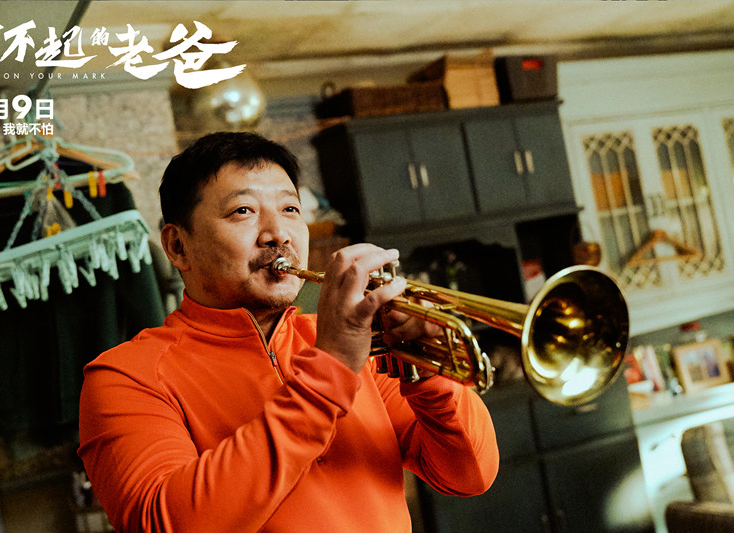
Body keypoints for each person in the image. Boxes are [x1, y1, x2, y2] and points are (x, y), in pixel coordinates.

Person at [78, 132, 499, 533]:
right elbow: (165, 524)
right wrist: (331, 368)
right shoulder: (125, 377)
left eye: (290, 210)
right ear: (177, 247)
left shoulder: (354, 344)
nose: (278, 233)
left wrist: (428, 376)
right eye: (243, 211)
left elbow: (469, 476)